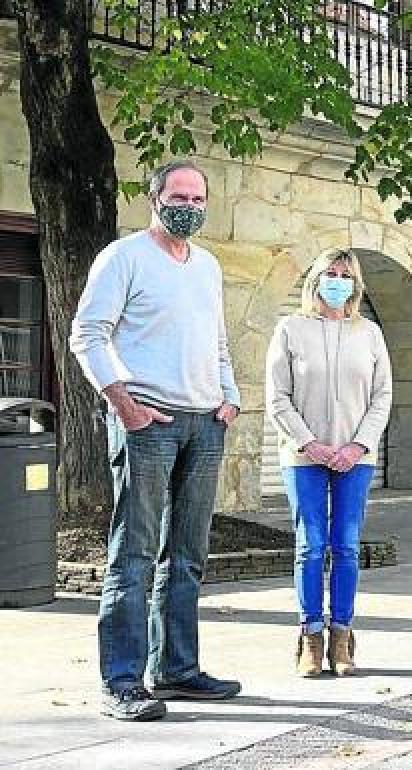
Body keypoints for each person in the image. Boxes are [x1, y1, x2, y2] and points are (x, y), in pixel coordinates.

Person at [70, 160, 242, 721]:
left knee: (188, 555)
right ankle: (122, 680)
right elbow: (87, 333)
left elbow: (216, 340)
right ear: (154, 198)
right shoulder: (123, 257)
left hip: (203, 422)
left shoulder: (208, 266)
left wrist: (229, 396)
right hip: (149, 423)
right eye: (178, 195)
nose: (188, 205)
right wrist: (123, 402)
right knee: (135, 552)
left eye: (197, 197)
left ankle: (176, 669)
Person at [266, 249, 392, 677]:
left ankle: (342, 633)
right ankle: (310, 635)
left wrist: (358, 445)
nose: (337, 281)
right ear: (315, 279)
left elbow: (382, 396)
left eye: (345, 275)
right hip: (303, 457)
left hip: (355, 458)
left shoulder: (369, 333)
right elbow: (277, 396)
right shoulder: (290, 328)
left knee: (346, 544)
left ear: (355, 285)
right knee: (310, 544)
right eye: (330, 273)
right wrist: (309, 443)